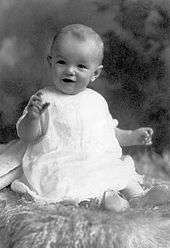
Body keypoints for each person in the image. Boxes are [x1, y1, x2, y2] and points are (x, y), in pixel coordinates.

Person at [0, 24, 164, 211]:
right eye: (62, 62)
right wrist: (33, 117)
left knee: (120, 172)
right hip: (58, 160)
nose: (70, 70)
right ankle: (101, 200)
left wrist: (133, 136)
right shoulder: (44, 99)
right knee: (64, 183)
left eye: (81, 66)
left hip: (95, 159)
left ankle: (138, 198)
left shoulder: (96, 100)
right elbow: (27, 136)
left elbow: (109, 133)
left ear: (95, 73)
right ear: (50, 62)